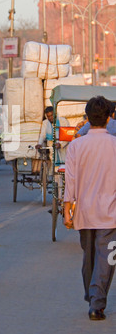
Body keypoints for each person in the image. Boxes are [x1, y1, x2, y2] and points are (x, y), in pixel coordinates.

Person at [64, 96, 116, 321]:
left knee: (89, 256)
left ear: (87, 117)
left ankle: (92, 294)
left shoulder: (76, 145)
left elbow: (71, 181)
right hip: (111, 213)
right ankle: (96, 301)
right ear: (109, 117)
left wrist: (67, 210)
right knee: (107, 257)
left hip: (84, 212)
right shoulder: (115, 144)